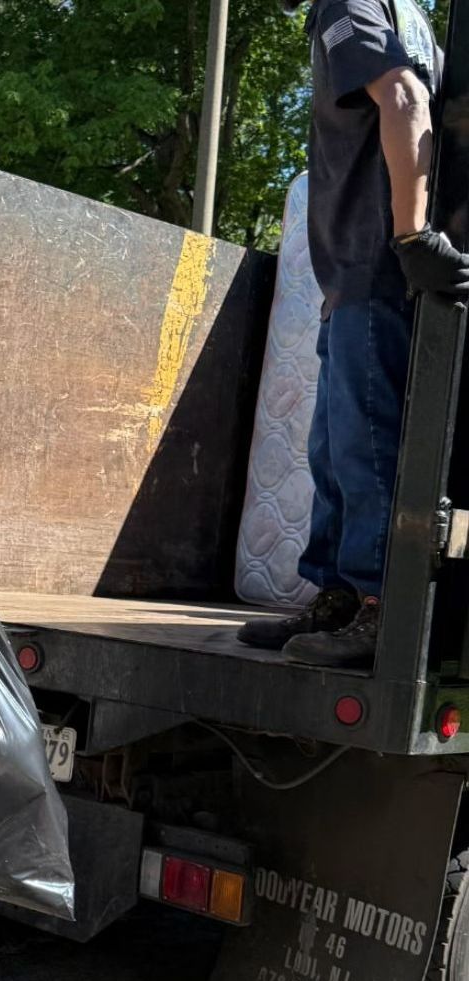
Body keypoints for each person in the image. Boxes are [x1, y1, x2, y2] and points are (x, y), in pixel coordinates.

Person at [239, 0, 469, 667]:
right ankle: (337, 594)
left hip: (374, 267)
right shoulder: (412, 14)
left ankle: (374, 606)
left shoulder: (351, 2)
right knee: (335, 447)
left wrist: (410, 236)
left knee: (364, 446)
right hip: (356, 278)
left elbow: (404, 98)